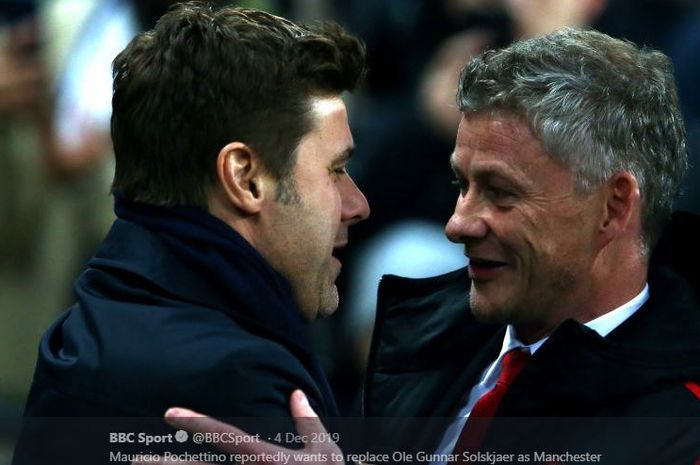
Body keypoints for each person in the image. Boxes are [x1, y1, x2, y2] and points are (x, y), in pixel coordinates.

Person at [158, 28, 700, 465]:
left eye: (501, 192)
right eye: (461, 185)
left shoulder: (676, 422)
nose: (458, 224)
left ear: (613, 206)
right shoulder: (426, 334)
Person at [12, 2, 368, 464]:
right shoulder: (241, 384)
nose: (358, 205)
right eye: (336, 170)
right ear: (244, 177)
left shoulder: (80, 330)